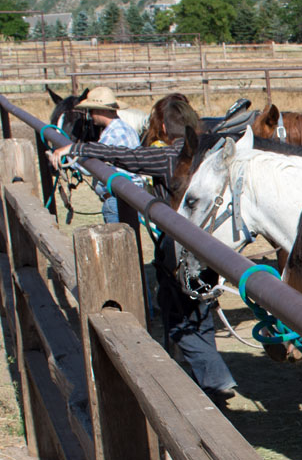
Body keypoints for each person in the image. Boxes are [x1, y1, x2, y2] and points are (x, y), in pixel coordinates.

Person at [48, 94, 238, 405]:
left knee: (175, 314)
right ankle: (208, 380)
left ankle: (215, 380)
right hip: (207, 244)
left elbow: (124, 158)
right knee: (199, 311)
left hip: (177, 249)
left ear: (162, 125)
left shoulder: (168, 157)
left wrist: (78, 148)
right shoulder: (207, 154)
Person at [68, 87, 142, 224]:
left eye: (92, 111)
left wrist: (69, 156)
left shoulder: (114, 133)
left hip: (117, 199)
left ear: (101, 110)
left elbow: (91, 165)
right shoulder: (124, 129)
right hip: (126, 196)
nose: (90, 115)